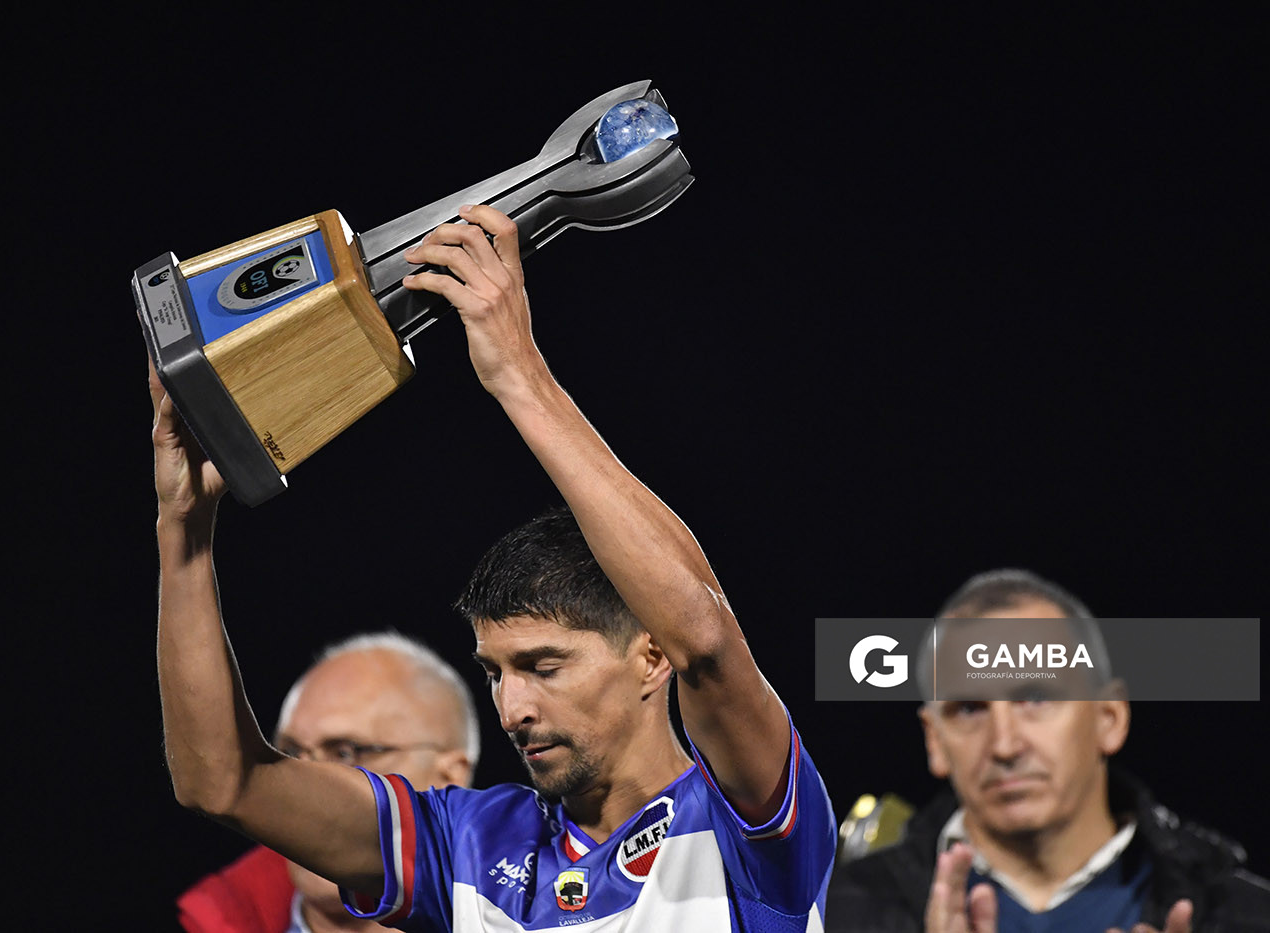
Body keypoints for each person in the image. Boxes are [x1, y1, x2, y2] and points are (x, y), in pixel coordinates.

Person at [151, 205, 835, 931]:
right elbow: (222, 782)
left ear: (651, 655)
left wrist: (518, 374)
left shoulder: (750, 819)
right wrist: (184, 531)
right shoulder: (467, 844)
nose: (511, 710)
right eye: (495, 671)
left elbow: (705, 632)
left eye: (543, 665)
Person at [824, 569, 1270, 933]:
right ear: (934, 740)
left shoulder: (1246, 916)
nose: (1005, 745)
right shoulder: (835, 918)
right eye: (969, 709)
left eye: (1036, 699)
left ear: (1109, 717)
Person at [177, 633, 480, 933]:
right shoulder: (219, 917)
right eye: (290, 754)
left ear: (450, 779)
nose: (302, 786)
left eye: (346, 752)